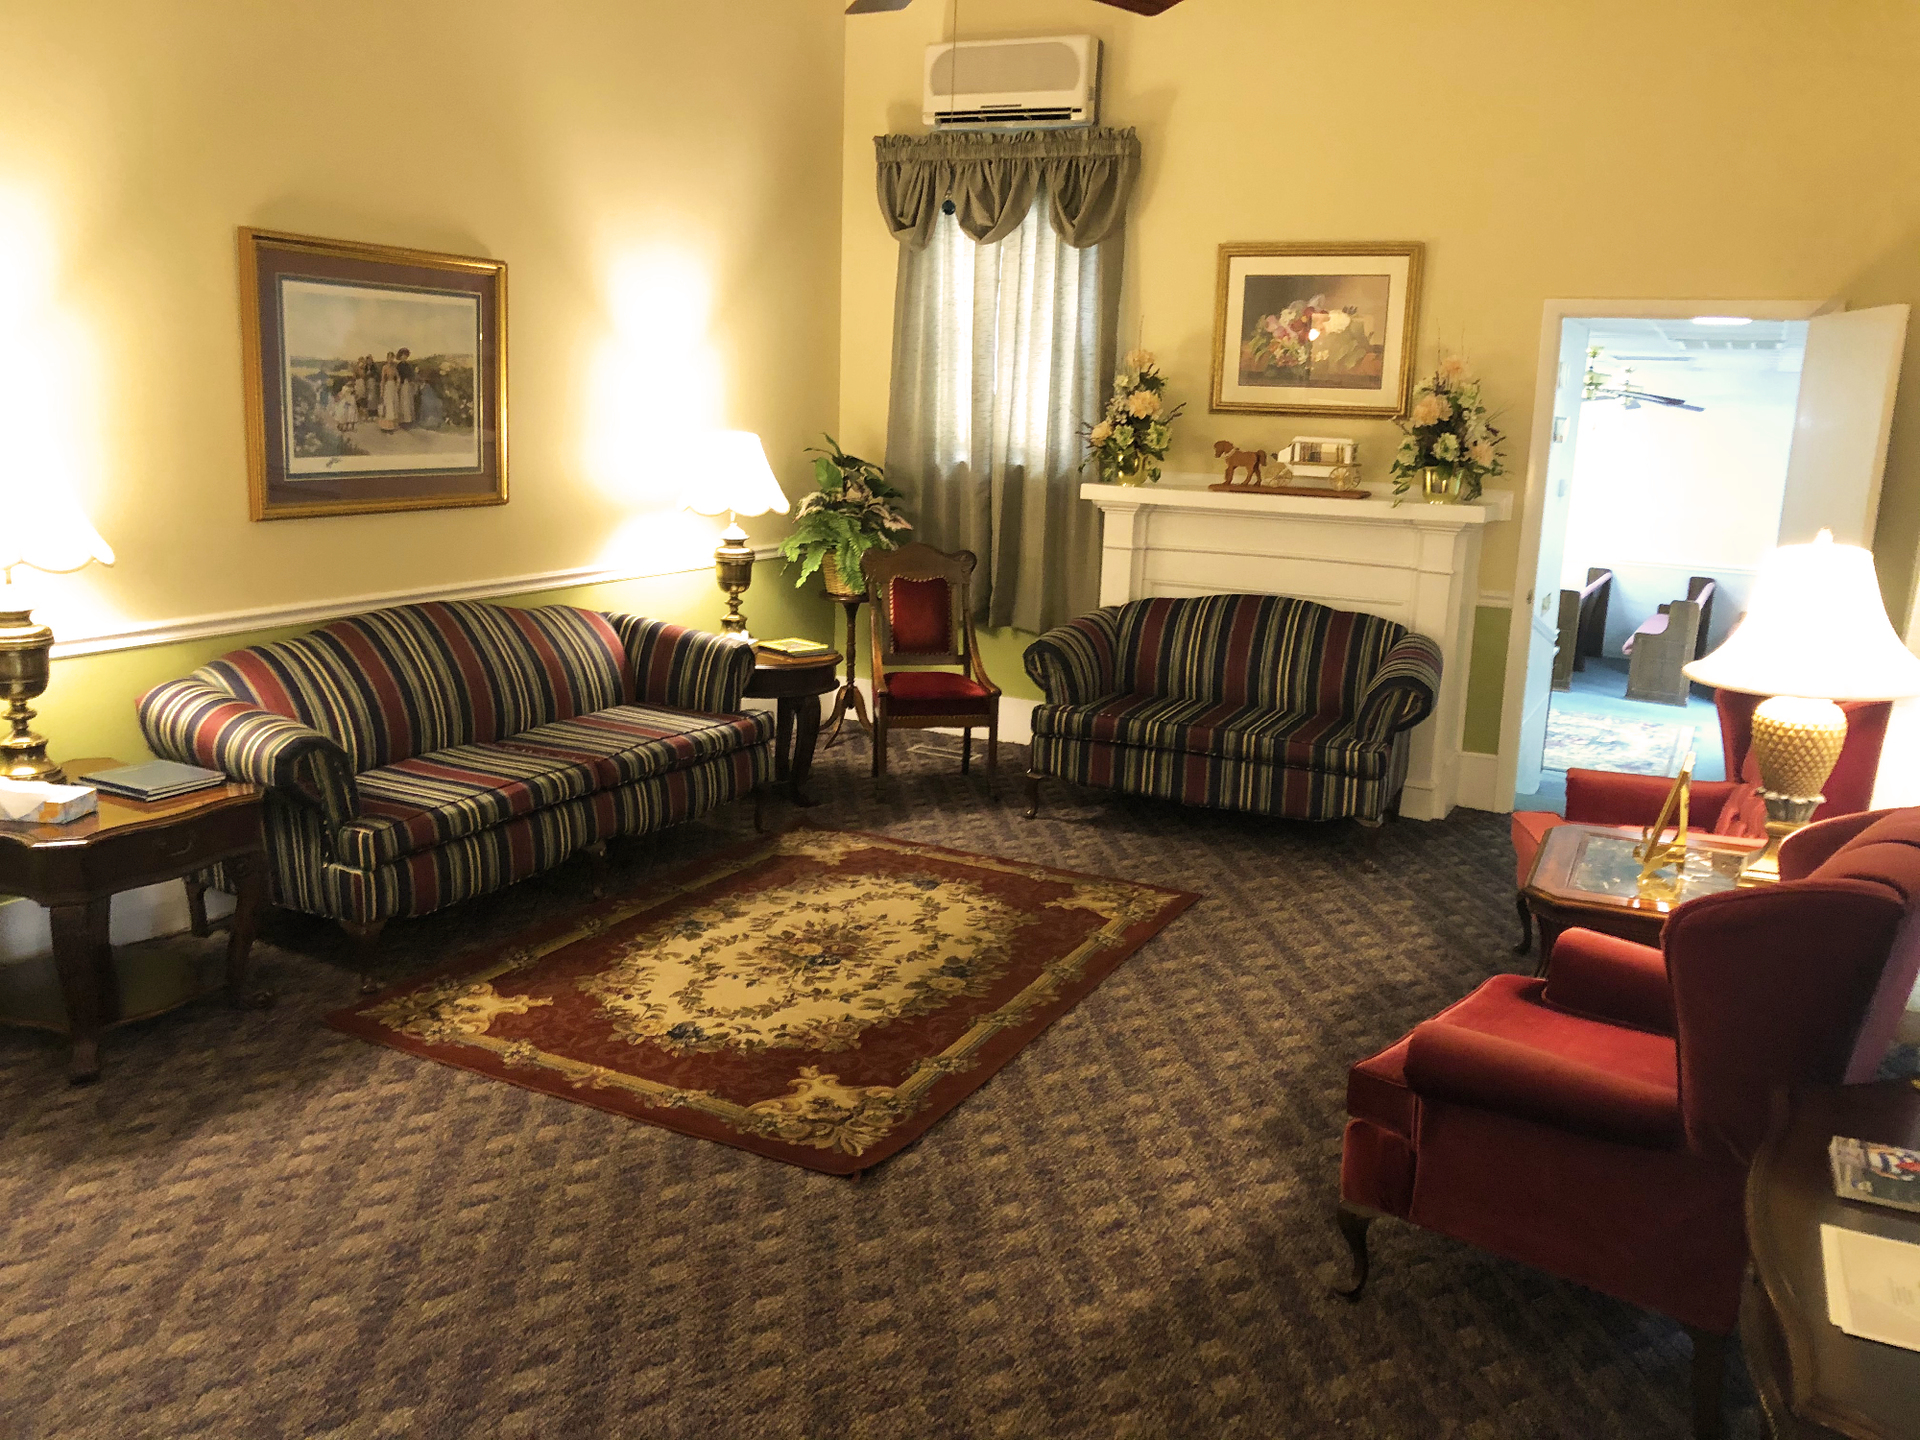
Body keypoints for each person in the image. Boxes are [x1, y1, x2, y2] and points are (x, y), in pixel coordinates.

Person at [378, 351, 400, 433]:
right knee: (388, 405)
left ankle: (392, 426)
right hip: (387, 386)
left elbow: (398, 377)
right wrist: (382, 391)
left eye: (392, 358)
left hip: (393, 387)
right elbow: (383, 380)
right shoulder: (385, 368)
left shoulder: (394, 368)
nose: (391, 359)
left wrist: (397, 385)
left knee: (393, 404)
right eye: (389, 358)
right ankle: (386, 426)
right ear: (387, 358)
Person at [396, 347, 416, 427]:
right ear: (400, 356)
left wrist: (410, 380)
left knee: (409, 402)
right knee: (403, 402)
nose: (404, 357)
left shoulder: (408, 365)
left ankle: (409, 420)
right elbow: (397, 376)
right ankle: (403, 421)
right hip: (402, 385)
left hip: (408, 385)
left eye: (405, 355)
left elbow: (411, 374)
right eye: (402, 355)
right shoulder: (399, 366)